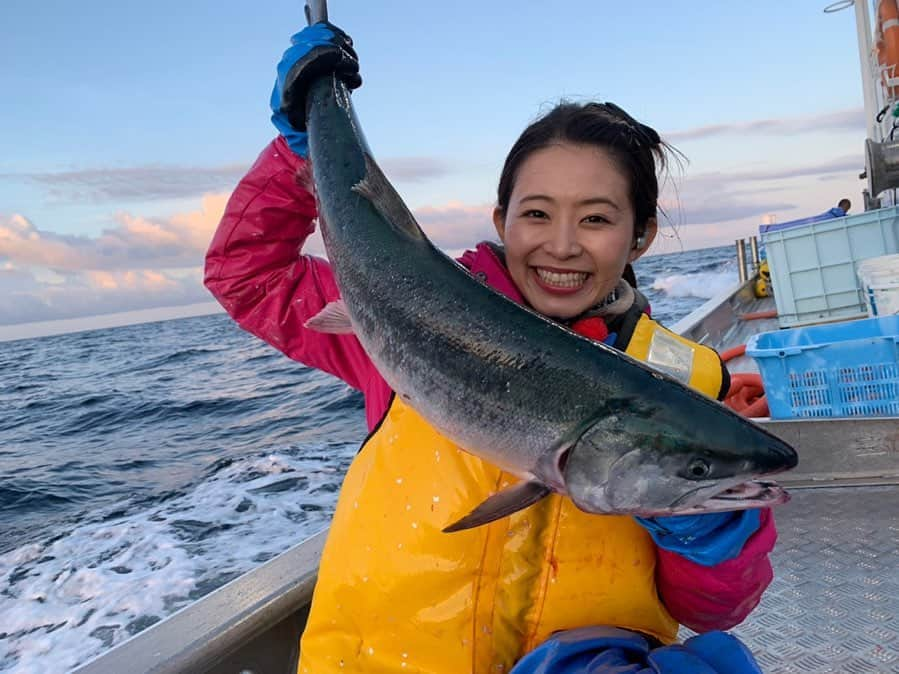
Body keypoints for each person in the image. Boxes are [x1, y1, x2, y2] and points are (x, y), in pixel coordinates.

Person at [205, 22, 777, 674]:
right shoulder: (403, 309)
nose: (561, 244)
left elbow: (714, 608)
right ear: (501, 220)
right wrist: (298, 155)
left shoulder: (682, 386)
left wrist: (714, 539)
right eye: (536, 214)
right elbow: (245, 276)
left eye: (594, 218)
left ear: (639, 235)